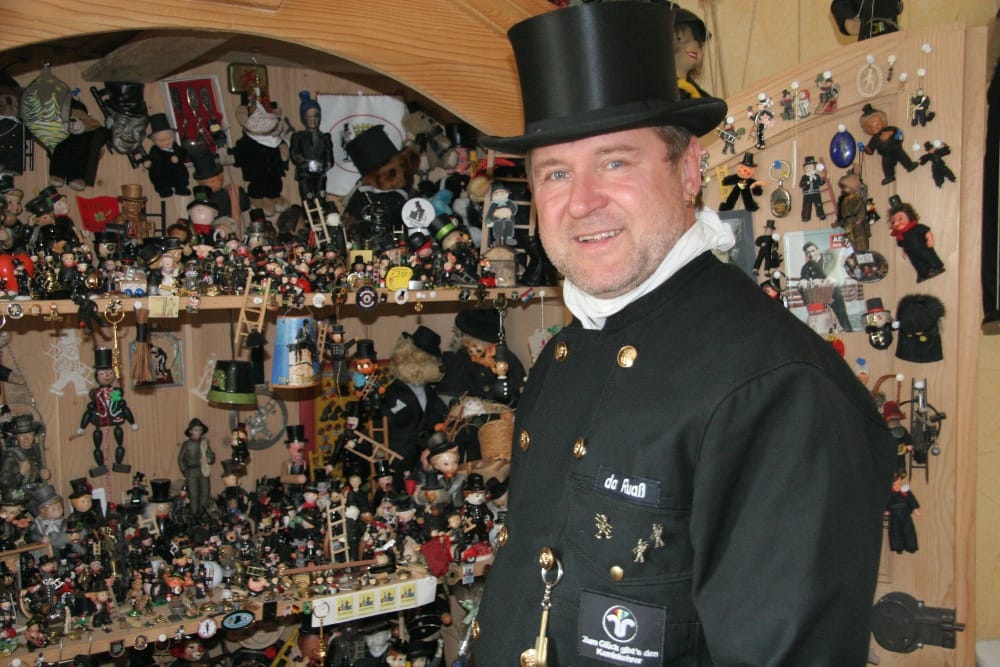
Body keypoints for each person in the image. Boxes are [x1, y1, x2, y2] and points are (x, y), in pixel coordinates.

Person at [473, 3, 895, 665]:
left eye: (615, 162)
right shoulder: (559, 355)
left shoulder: (776, 387)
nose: (581, 201)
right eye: (555, 172)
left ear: (690, 169)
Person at [830, 0, 903, 41]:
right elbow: (851, 26)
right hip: (867, 47)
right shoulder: (839, 4)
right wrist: (876, 28)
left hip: (894, 41)